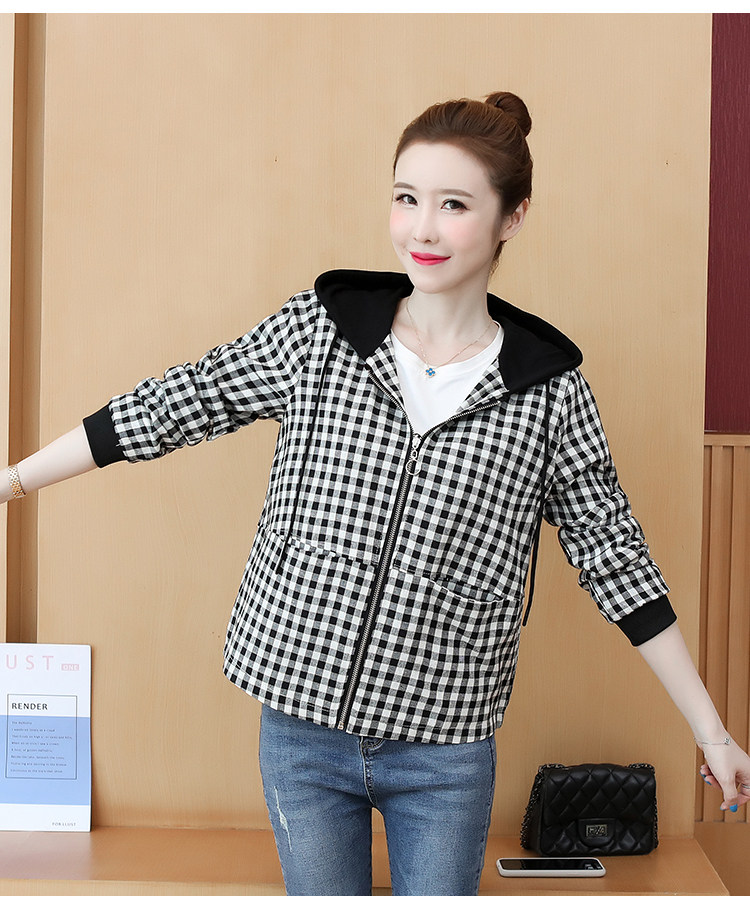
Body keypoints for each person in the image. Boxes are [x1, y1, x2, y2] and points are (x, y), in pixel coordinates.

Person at [2, 91, 749, 896]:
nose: (421, 229)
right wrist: (11, 482)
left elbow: (617, 562)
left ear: (512, 217)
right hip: (302, 725)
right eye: (406, 198)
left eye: (453, 205)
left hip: (444, 744)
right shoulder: (322, 334)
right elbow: (176, 404)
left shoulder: (547, 392)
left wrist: (712, 732)